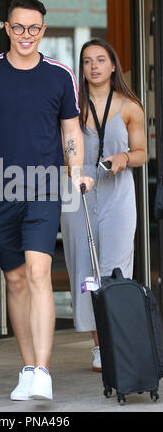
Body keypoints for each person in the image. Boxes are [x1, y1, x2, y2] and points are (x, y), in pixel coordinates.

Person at [0, 0, 93, 401]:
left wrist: (77, 172)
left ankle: (43, 371)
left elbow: (71, 131)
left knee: (37, 272)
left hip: (44, 186)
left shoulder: (59, 75)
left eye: (34, 28)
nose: (26, 35)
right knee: (15, 279)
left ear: (44, 29)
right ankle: (28, 366)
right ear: (6, 27)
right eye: (18, 27)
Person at [61, 38, 146, 372]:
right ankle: (99, 347)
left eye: (100, 60)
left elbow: (142, 153)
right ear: (82, 69)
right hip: (78, 199)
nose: (93, 66)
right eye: (86, 61)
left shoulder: (129, 107)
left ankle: (117, 342)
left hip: (117, 197)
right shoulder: (70, 108)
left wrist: (124, 157)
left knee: (115, 270)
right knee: (85, 271)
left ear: (113, 66)